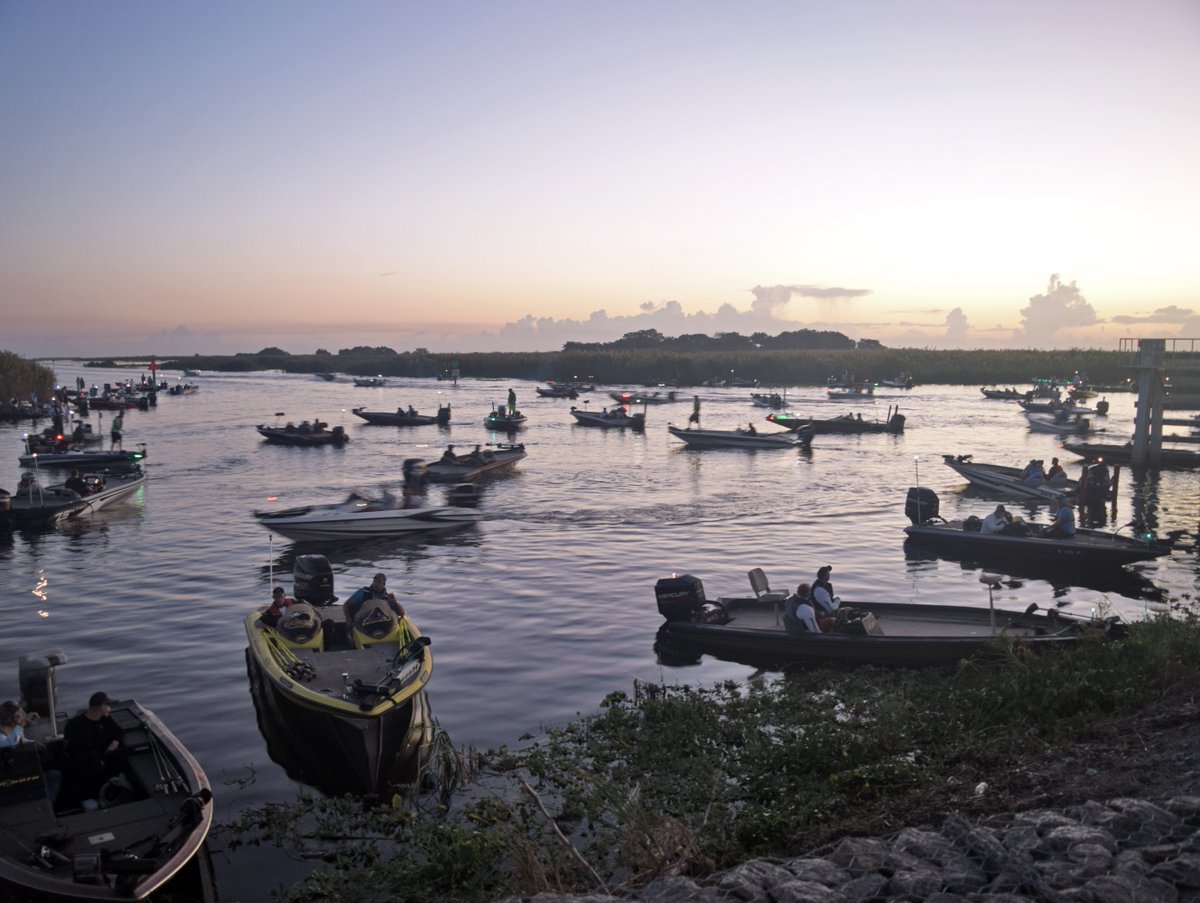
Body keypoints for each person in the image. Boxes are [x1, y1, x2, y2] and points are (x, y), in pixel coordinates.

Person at [62, 692, 126, 811]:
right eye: (108, 706)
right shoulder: (75, 725)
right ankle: (90, 796)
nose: (110, 709)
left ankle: (108, 786)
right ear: (102, 706)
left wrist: (115, 742)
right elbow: (73, 752)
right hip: (83, 765)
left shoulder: (105, 719)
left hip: (100, 759)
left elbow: (119, 731)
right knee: (93, 757)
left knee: (120, 753)